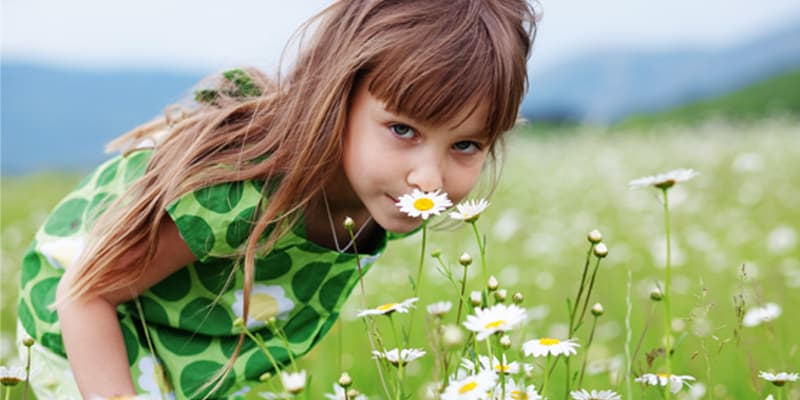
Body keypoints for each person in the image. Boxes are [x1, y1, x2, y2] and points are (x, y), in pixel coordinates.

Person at [16, 0, 537, 398]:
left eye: (466, 145)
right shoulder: (239, 191)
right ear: (338, 97)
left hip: (185, 341)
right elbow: (84, 294)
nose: (429, 179)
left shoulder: (389, 194)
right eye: (402, 130)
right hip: (80, 322)